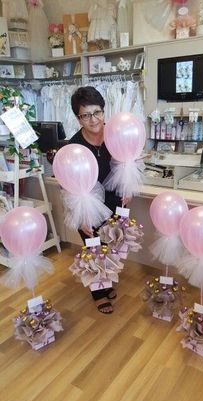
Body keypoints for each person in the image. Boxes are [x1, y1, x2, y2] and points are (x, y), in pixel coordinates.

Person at [70, 86, 124, 314]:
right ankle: (98, 293)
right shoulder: (74, 146)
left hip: (113, 201)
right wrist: (81, 216)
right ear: (78, 117)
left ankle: (106, 281)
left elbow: (126, 161)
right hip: (87, 205)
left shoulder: (115, 133)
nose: (93, 120)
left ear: (104, 111)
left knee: (110, 247)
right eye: (85, 115)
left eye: (97, 112)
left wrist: (127, 186)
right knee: (93, 249)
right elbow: (68, 186)